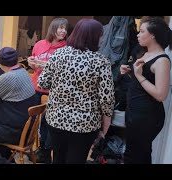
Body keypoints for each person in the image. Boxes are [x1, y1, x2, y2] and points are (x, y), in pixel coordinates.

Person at [38, 19, 115, 164]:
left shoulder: (58, 54)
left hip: (56, 119)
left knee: (58, 158)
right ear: (95, 37)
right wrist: (106, 124)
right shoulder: (101, 61)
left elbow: (42, 82)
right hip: (84, 123)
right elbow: (107, 98)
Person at [120, 17, 172, 164]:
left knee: (134, 155)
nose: (137, 34)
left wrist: (138, 75)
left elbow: (161, 94)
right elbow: (143, 81)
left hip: (147, 115)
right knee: (139, 154)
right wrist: (131, 72)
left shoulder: (162, 60)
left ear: (153, 35)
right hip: (134, 110)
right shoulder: (144, 53)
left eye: (142, 31)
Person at [27, 17, 69, 163]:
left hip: (53, 90)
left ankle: (45, 151)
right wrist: (31, 62)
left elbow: (67, 72)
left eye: (65, 28)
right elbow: (33, 65)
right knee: (31, 118)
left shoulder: (67, 48)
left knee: (47, 122)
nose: (63, 31)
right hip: (36, 86)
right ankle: (29, 147)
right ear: (53, 28)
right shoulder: (39, 44)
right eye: (60, 27)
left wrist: (47, 66)